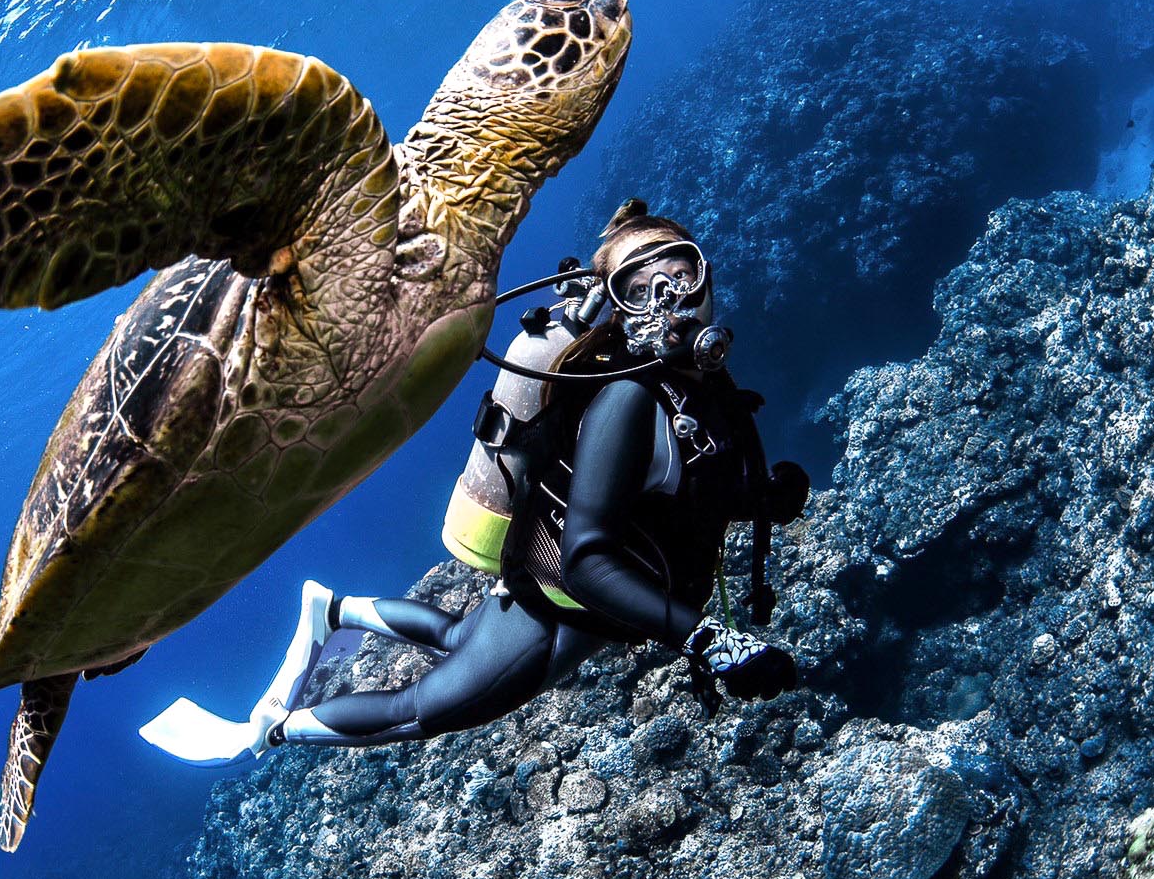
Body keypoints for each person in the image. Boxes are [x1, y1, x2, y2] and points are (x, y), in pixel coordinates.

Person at [140, 199, 808, 763]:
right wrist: (711, 638)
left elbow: (686, 490)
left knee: (459, 638)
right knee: (422, 712)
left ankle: (335, 610)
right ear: (619, 309)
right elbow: (587, 559)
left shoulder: (706, 386)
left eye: (679, 273)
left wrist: (762, 499)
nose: (669, 298)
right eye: (640, 286)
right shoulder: (628, 402)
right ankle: (269, 731)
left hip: (598, 609)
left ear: (707, 273)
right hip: (557, 601)